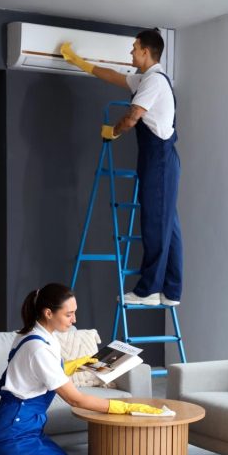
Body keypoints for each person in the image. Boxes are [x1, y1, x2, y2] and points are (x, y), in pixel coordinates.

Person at [0, 283, 162, 455]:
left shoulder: (40, 334)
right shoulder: (38, 347)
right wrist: (125, 407)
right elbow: (75, 399)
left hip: (27, 427)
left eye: (74, 313)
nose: (74, 320)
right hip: (12, 432)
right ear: (48, 313)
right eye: (69, 314)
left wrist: (79, 364)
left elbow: (42, 374)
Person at [62, 29, 182, 307]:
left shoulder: (153, 82)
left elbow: (132, 118)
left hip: (159, 159)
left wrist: (112, 132)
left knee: (155, 223)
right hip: (161, 158)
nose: (131, 52)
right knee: (168, 225)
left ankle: (148, 290)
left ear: (146, 51)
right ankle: (172, 291)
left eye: (134, 47)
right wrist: (81, 63)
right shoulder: (146, 79)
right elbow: (114, 77)